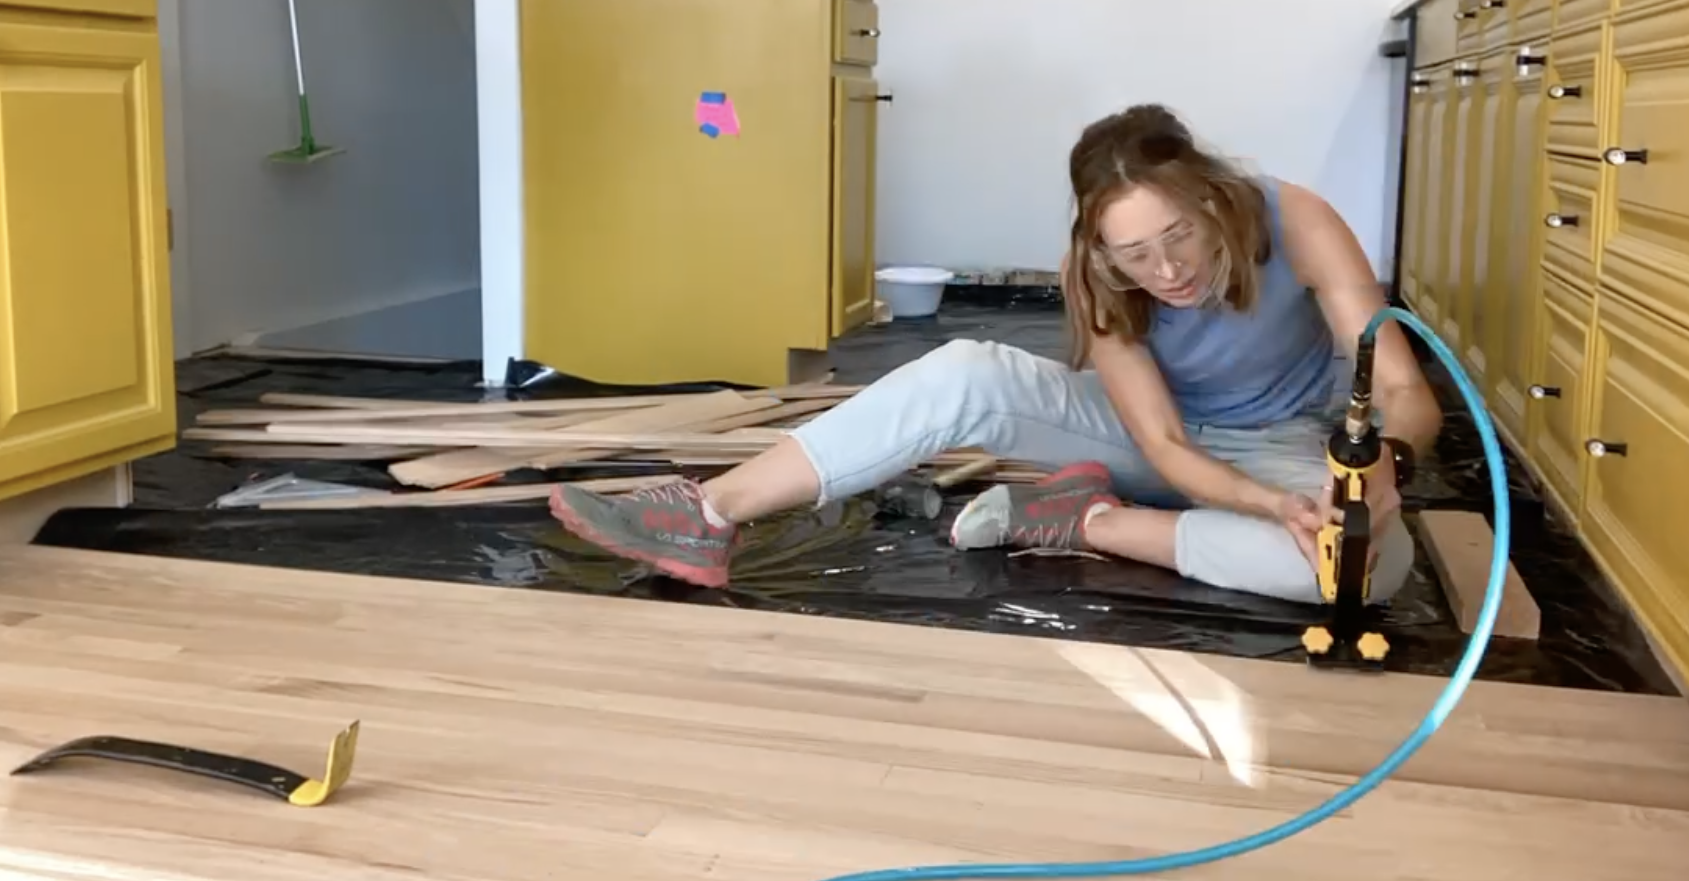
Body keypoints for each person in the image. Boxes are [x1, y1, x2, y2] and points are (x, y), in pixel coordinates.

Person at [547, 103, 1440, 605]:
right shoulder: (1096, 276)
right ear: (1099, 250)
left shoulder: (1296, 218)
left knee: (1363, 571)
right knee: (966, 368)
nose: (1164, 270)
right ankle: (708, 514)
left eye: (1181, 236)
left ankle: (1078, 520)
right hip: (1160, 441)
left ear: (1213, 198)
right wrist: (1264, 506)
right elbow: (1165, 446)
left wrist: (1381, 467)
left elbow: (1402, 384)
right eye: (1133, 254)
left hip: (1279, 435)